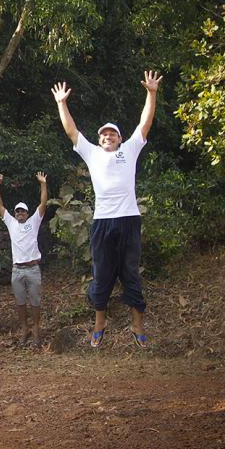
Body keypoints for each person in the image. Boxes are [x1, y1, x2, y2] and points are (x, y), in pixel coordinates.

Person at [51, 70, 162, 349]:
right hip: (102, 222)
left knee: (131, 275)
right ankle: (100, 325)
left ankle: (138, 329)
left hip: (128, 220)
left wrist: (151, 93)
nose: (107, 136)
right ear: (99, 140)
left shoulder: (131, 150)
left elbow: (144, 123)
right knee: (102, 276)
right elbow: (71, 131)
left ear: (120, 139)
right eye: (104, 134)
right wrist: (62, 103)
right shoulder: (92, 153)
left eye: (112, 133)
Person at [0, 172, 48, 347]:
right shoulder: (11, 223)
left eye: (22, 211)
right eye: (17, 211)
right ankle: (25, 330)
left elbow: (43, 204)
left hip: (32, 269)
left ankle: (37, 330)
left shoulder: (33, 222)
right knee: (20, 303)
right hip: (17, 270)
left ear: (27, 212)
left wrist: (43, 184)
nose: (19, 213)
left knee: (35, 302)